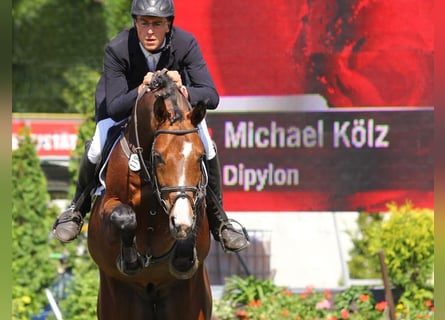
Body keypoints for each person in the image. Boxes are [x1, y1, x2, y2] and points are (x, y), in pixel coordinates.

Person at [52, 0, 249, 253]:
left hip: (173, 117)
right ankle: (76, 209)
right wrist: (141, 89)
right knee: (96, 146)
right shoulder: (118, 48)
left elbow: (212, 96)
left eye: (157, 23)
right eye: (144, 23)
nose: (150, 31)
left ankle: (220, 221)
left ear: (169, 25)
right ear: (135, 23)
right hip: (125, 107)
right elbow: (115, 107)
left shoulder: (185, 44)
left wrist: (184, 88)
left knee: (207, 146)